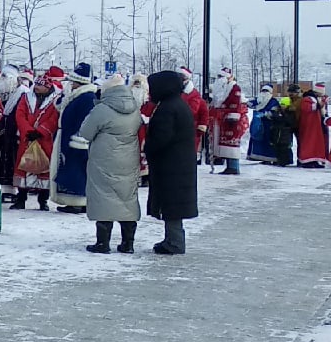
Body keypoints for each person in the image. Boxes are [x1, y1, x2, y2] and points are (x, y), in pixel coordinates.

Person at [71, 74, 143, 253]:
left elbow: (86, 132)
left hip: (104, 159)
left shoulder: (102, 109)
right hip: (129, 159)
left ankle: (102, 243)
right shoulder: (135, 107)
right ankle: (128, 243)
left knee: (103, 197)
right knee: (127, 198)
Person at [145, 70, 198, 255]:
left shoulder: (168, 108)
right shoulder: (177, 104)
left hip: (171, 164)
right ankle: (173, 238)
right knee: (174, 203)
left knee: (172, 204)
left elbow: (161, 137)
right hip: (179, 162)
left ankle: (174, 242)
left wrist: (148, 148)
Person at [52, 64, 99, 214]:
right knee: (71, 168)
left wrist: (79, 138)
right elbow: (60, 107)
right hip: (68, 136)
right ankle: (73, 200)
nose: (70, 84)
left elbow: (85, 120)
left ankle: (78, 201)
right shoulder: (77, 95)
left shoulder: (87, 97)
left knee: (77, 170)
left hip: (76, 140)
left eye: (73, 81)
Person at [11, 76, 59, 210]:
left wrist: (40, 132)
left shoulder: (55, 101)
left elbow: (54, 119)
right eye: (36, 84)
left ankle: (43, 200)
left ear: (48, 87)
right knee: (23, 167)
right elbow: (20, 115)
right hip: (27, 139)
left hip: (44, 140)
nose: (36, 87)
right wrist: (28, 131)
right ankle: (21, 199)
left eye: (40, 85)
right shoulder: (26, 98)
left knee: (44, 169)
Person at [208, 68, 249, 174]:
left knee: (231, 143)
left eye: (222, 77)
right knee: (225, 143)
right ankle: (230, 166)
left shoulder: (235, 88)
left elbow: (235, 105)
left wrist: (230, 115)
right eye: (219, 77)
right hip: (223, 120)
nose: (220, 79)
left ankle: (233, 167)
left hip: (232, 120)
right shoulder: (222, 89)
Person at [295, 86, 329, 168]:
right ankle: (307, 160)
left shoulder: (313, 99)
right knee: (309, 142)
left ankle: (314, 160)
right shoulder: (307, 98)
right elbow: (307, 108)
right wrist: (320, 104)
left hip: (315, 125)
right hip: (309, 125)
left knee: (315, 143)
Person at [246, 84, 278, 164]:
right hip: (257, 124)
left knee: (267, 142)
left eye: (266, 91)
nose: (264, 93)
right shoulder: (258, 100)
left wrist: (265, 114)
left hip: (268, 125)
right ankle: (256, 156)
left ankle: (269, 158)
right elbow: (249, 104)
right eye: (263, 91)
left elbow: (275, 112)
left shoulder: (273, 101)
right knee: (256, 139)